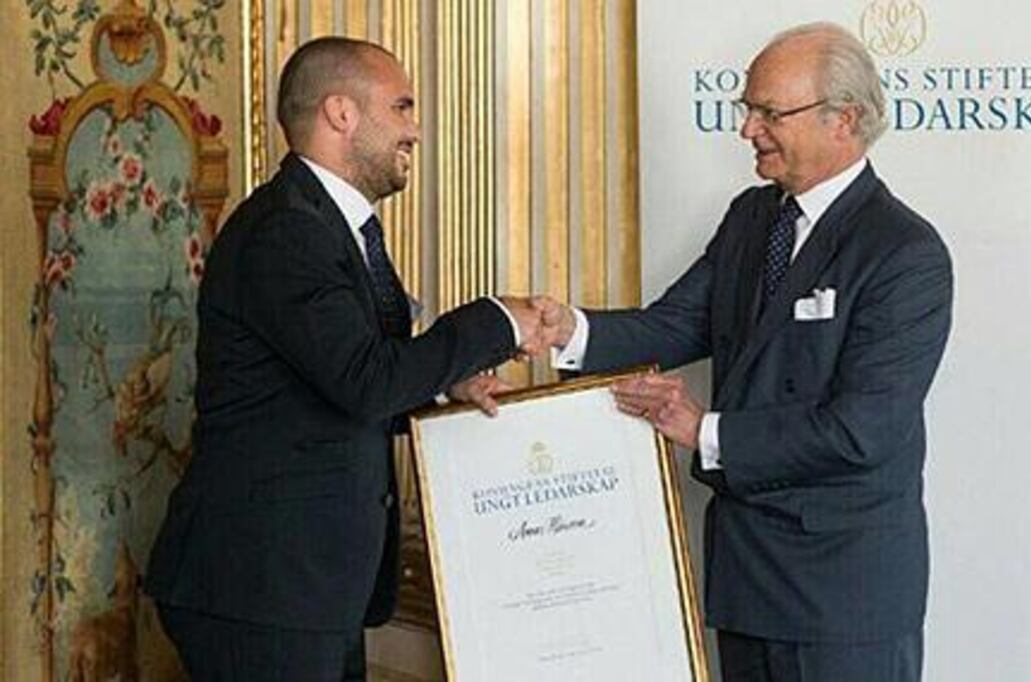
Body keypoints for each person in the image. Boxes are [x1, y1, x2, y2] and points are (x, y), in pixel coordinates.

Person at [539, 22, 952, 682]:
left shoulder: (903, 253)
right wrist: (566, 329)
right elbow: (673, 325)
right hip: (746, 581)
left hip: (842, 596)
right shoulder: (751, 219)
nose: (747, 129)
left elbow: (862, 430)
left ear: (843, 119)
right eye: (747, 108)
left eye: (769, 112)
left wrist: (702, 430)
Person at [145, 37, 545, 681]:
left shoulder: (322, 224)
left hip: (306, 590)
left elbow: (331, 380)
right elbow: (366, 381)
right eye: (402, 106)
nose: (415, 129)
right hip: (260, 589)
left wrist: (443, 389)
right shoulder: (286, 231)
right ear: (341, 113)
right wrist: (498, 318)